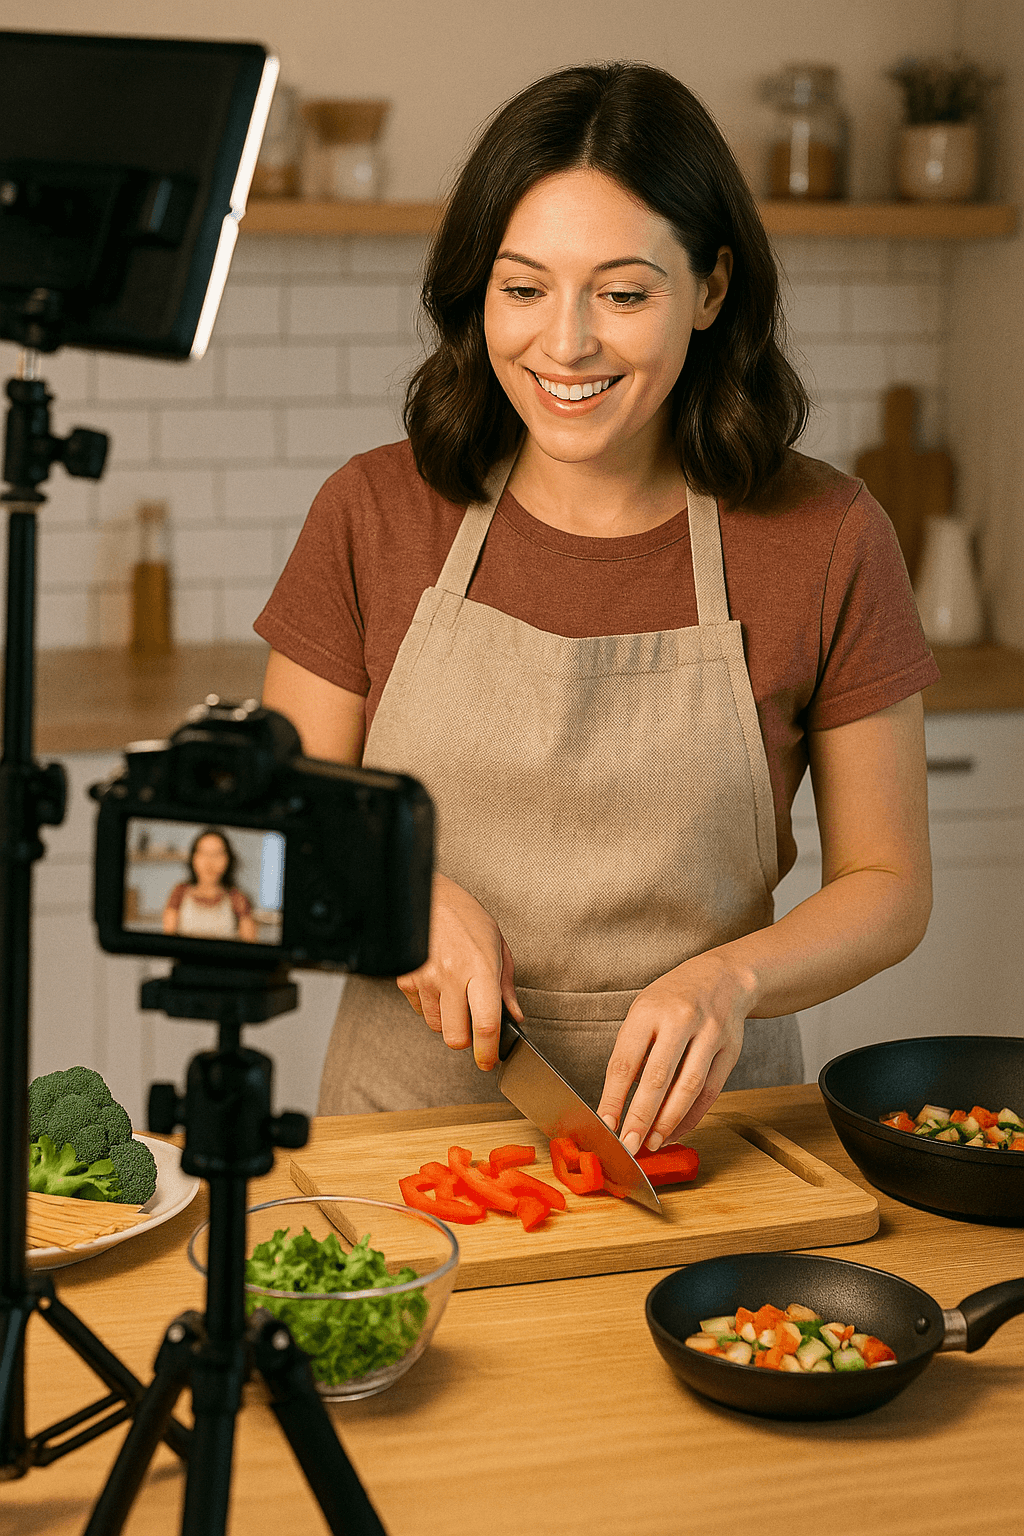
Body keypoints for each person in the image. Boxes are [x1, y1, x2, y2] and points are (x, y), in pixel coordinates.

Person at [256, 62, 938, 1155]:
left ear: (710, 290)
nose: (565, 344)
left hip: (711, 1144)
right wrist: (397, 891)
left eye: (622, 295)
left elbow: (888, 883)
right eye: (524, 289)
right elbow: (274, 824)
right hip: (407, 1144)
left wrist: (731, 980)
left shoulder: (826, 537)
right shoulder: (375, 512)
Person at [162, 828, 258, 942]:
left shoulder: (237, 898)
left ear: (228, 859)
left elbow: (249, 942)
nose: (209, 861)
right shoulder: (180, 892)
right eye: (203, 853)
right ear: (193, 857)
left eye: (217, 854)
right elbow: (168, 938)